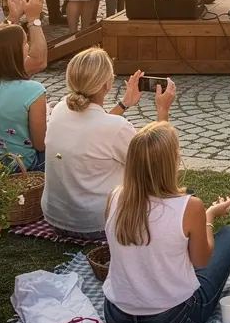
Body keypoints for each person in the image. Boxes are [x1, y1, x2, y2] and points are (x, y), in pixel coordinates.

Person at [102, 122, 230, 323]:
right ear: (171, 163)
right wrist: (209, 216)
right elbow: (201, 261)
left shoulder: (114, 197)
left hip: (117, 318)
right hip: (172, 321)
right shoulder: (190, 206)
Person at [42, 47, 174, 239]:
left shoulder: (60, 109)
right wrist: (163, 111)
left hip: (56, 219)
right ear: (107, 84)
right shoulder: (117, 128)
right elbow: (156, 168)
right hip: (98, 224)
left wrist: (124, 103)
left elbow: (93, 128)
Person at [0, 23, 47, 172]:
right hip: (19, 165)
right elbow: (40, 144)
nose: (28, 46)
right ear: (16, 52)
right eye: (25, 43)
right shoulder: (33, 90)